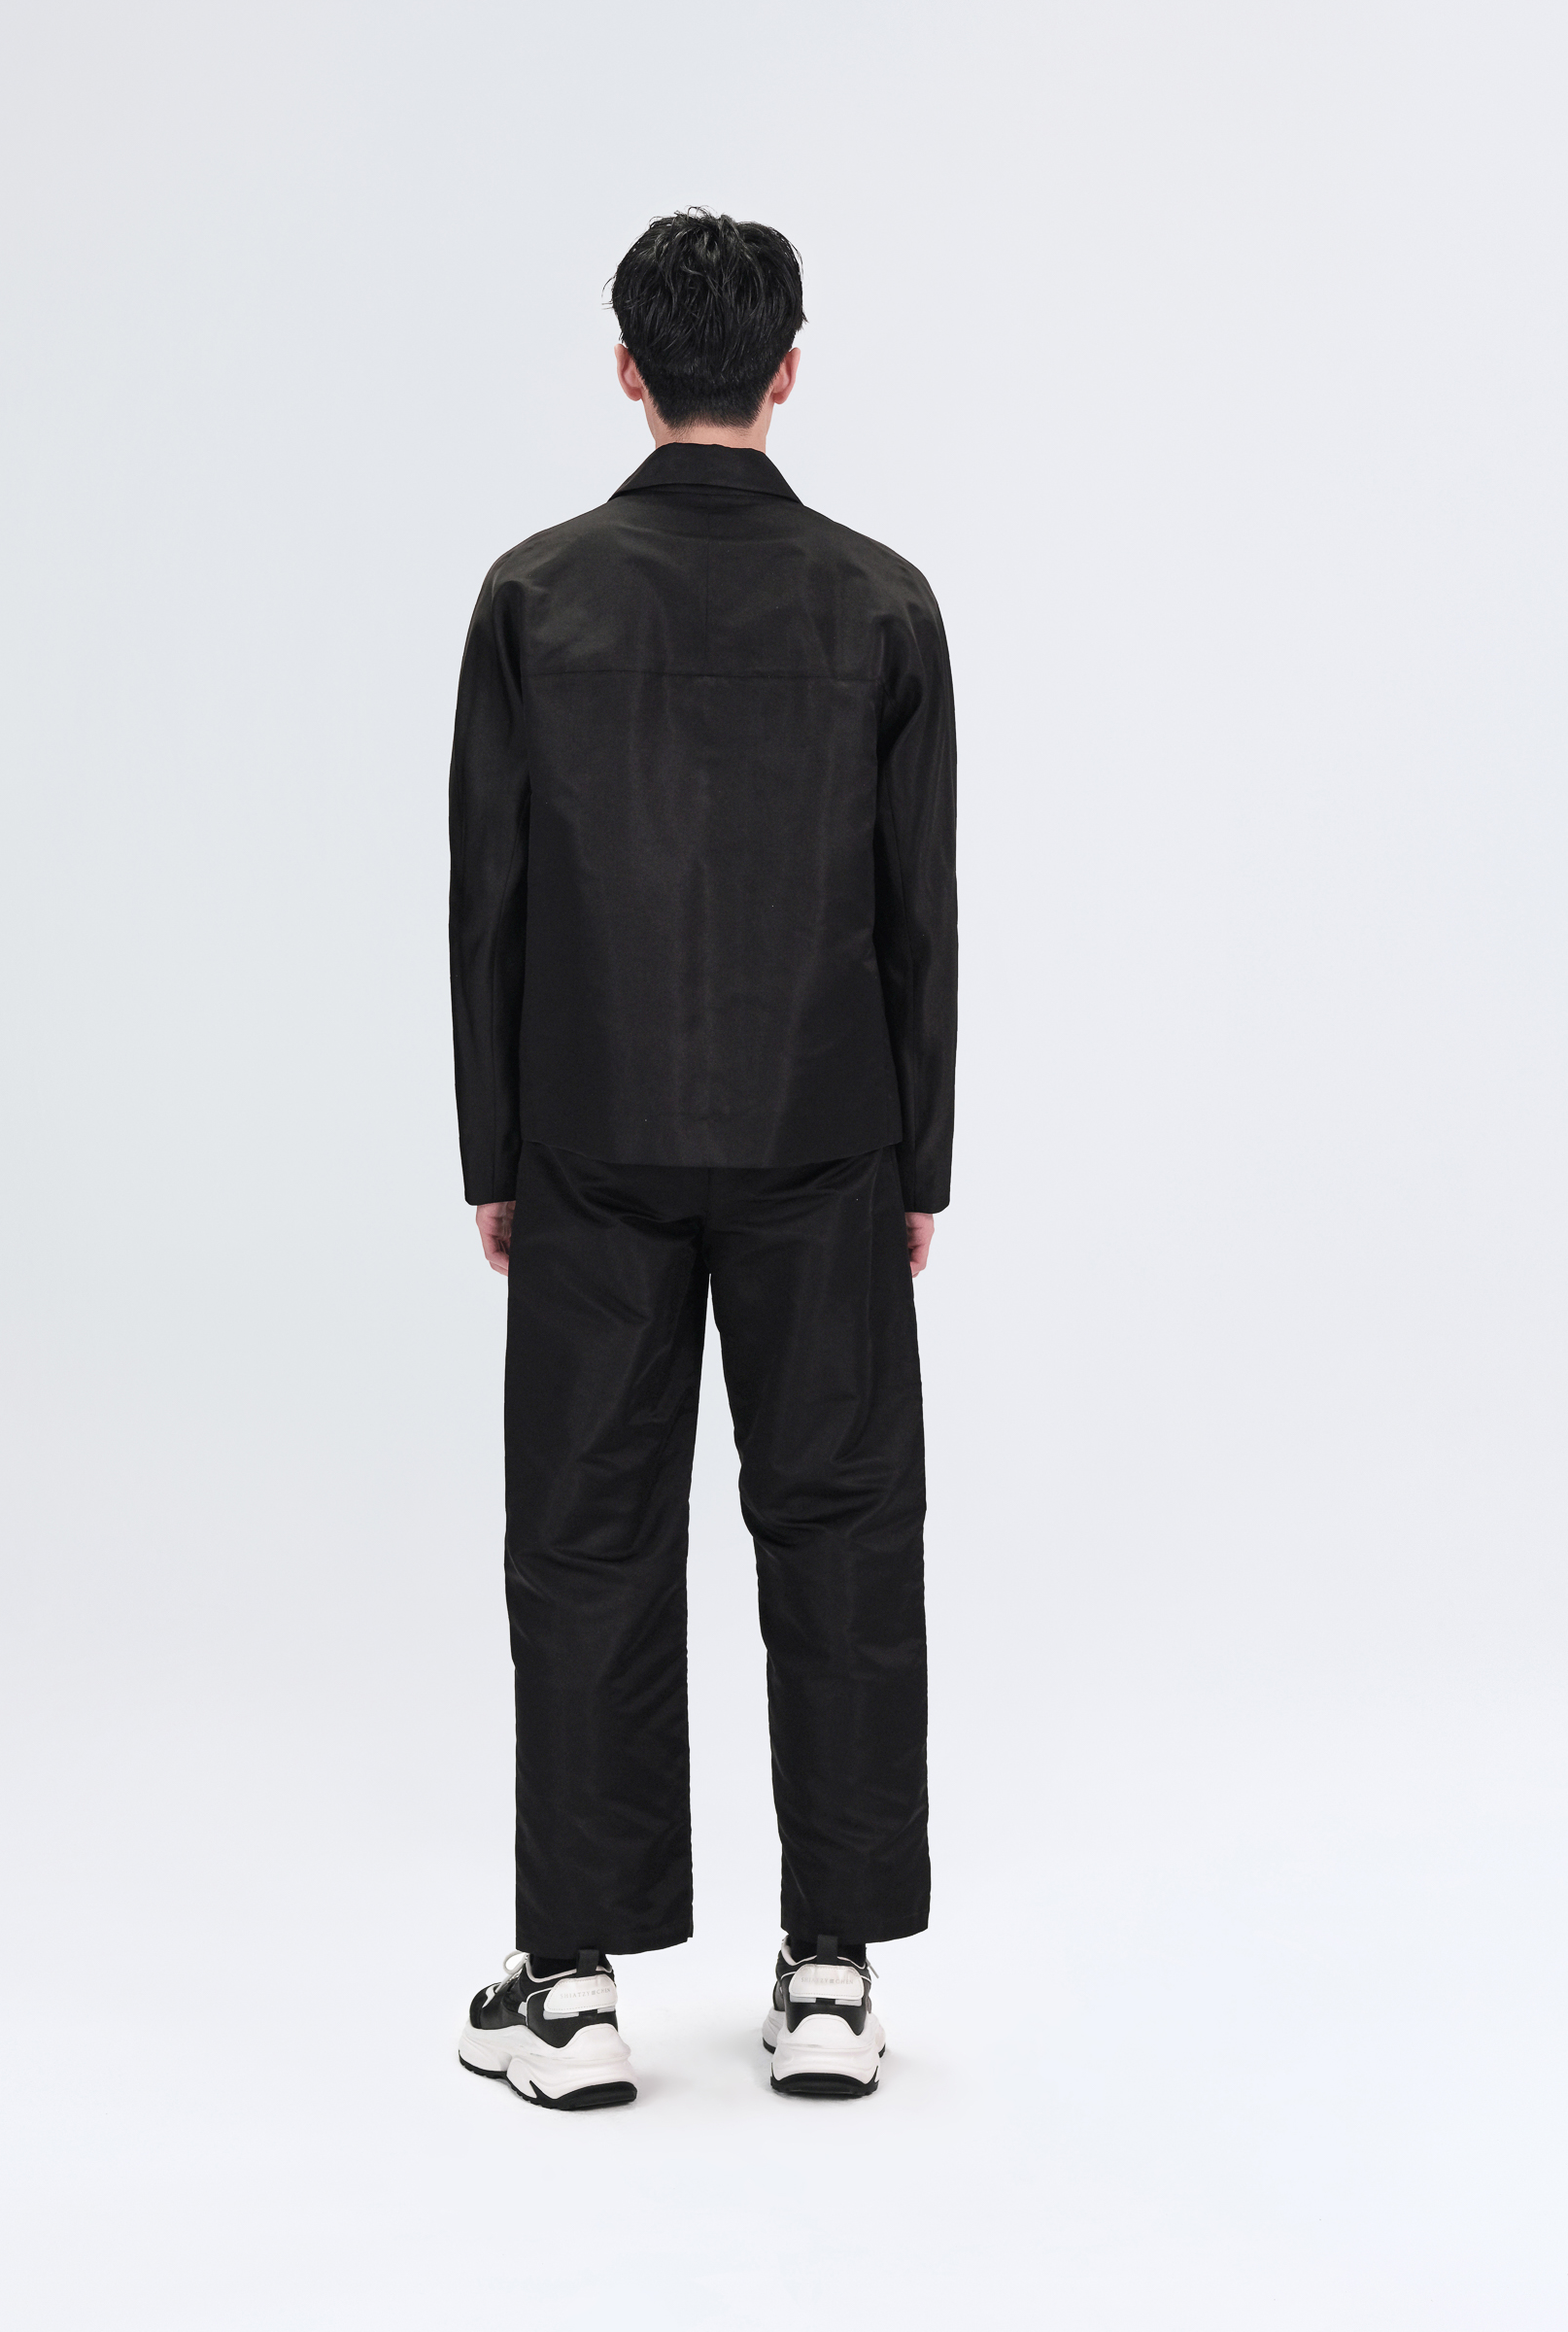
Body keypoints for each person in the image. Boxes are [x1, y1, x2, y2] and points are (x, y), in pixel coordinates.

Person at [447, 210, 956, 2109]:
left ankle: (572, 1992)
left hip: (590, 1137)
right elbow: (921, 911)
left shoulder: (535, 594)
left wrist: (493, 1150)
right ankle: (829, 1973)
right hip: (828, 1139)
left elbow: (488, 900)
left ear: (627, 366)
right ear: (790, 369)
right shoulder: (883, 603)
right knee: (842, 1528)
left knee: (586, 1539)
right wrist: (923, 1163)